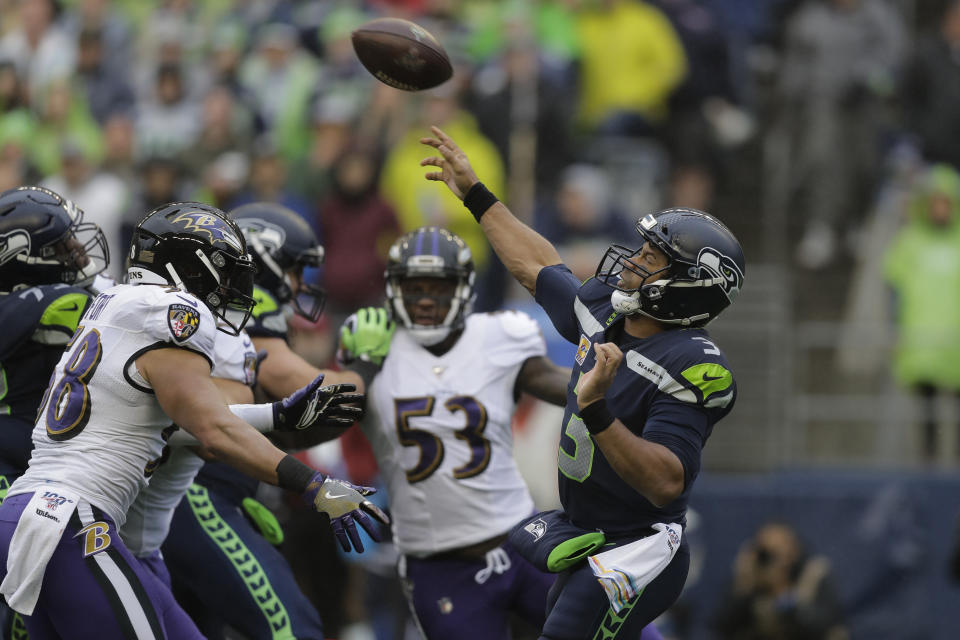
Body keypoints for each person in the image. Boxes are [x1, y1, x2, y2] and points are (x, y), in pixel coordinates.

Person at [0, 201, 387, 637]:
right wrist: (315, 485)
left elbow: (179, 420)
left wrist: (273, 413)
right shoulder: (171, 313)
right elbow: (212, 430)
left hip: (43, 514)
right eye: (224, 268)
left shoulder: (116, 304)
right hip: (71, 520)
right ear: (190, 266)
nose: (235, 283)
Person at [419, 126, 745, 637]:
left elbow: (666, 481)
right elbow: (538, 265)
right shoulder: (606, 313)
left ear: (686, 286)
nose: (634, 261)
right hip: (588, 531)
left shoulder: (692, 363)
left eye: (652, 259)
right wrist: (477, 197)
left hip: (638, 548)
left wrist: (597, 411)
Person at [338, 226, 573, 640]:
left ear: (463, 288)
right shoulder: (374, 343)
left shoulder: (500, 335)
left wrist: (629, 385)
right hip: (440, 563)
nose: (426, 299)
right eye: (414, 287)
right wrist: (359, 368)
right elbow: (321, 421)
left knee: (621, 626)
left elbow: (565, 387)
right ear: (395, 289)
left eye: (440, 286)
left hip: (522, 541)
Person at [158, 201, 367, 638]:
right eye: (295, 270)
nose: (299, 284)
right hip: (194, 491)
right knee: (291, 628)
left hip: (190, 489)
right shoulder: (245, 311)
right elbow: (325, 395)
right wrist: (365, 367)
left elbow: (267, 419)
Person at [0, 184, 110, 639]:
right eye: (63, 243)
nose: (78, 250)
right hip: (18, 476)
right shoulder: (54, 303)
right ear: (24, 257)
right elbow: (99, 306)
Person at [884, 164, 960, 461]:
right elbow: (894, 289)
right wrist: (895, 330)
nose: (941, 209)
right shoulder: (910, 241)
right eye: (936, 203)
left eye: (946, 203)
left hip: (955, 344)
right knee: (927, 410)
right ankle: (928, 462)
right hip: (921, 343)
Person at [711, 521, 848, 640]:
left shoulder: (814, 574)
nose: (771, 559)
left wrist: (783, 594)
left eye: (777, 552)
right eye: (766, 553)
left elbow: (823, 626)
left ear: (794, 550)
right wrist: (744, 588)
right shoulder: (749, 578)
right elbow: (722, 627)